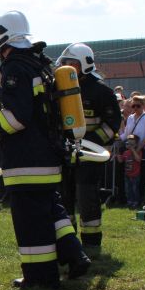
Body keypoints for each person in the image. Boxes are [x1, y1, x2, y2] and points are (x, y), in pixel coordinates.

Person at [0, 10, 90, 289]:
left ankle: (40, 278)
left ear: (2, 37)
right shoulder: (38, 64)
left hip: (26, 159)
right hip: (47, 153)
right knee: (51, 210)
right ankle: (74, 254)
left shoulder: (14, 68)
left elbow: (17, 118)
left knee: (30, 221)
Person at [55, 43, 122, 251]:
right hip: (65, 153)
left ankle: (92, 244)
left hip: (89, 154)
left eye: (71, 64)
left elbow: (111, 126)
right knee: (64, 197)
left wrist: (89, 143)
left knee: (87, 197)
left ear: (84, 65)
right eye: (64, 63)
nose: (67, 68)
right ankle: (69, 243)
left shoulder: (101, 91)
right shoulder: (60, 88)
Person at [120, 95, 145, 197]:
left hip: (143, 150)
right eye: (133, 106)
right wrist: (117, 139)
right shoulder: (130, 118)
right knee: (130, 174)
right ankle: (130, 197)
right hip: (131, 149)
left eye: (138, 106)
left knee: (142, 176)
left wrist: (137, 149)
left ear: (143, 106)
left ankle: (142, 198)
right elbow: (126, 134)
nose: (135, 108)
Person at [117, 135, 142, 207]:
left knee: (135, 189)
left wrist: (133, 150)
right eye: (128, 144)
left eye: (132, 144)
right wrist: (118, 154)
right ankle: (130, 201)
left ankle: (136, 201)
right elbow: (120, 161)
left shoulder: (138, 151)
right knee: (128, 189)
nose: (129, 145)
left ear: (136, 145)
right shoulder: (125, 152)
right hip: (127, 175)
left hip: (135, 175)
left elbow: (138, 159)